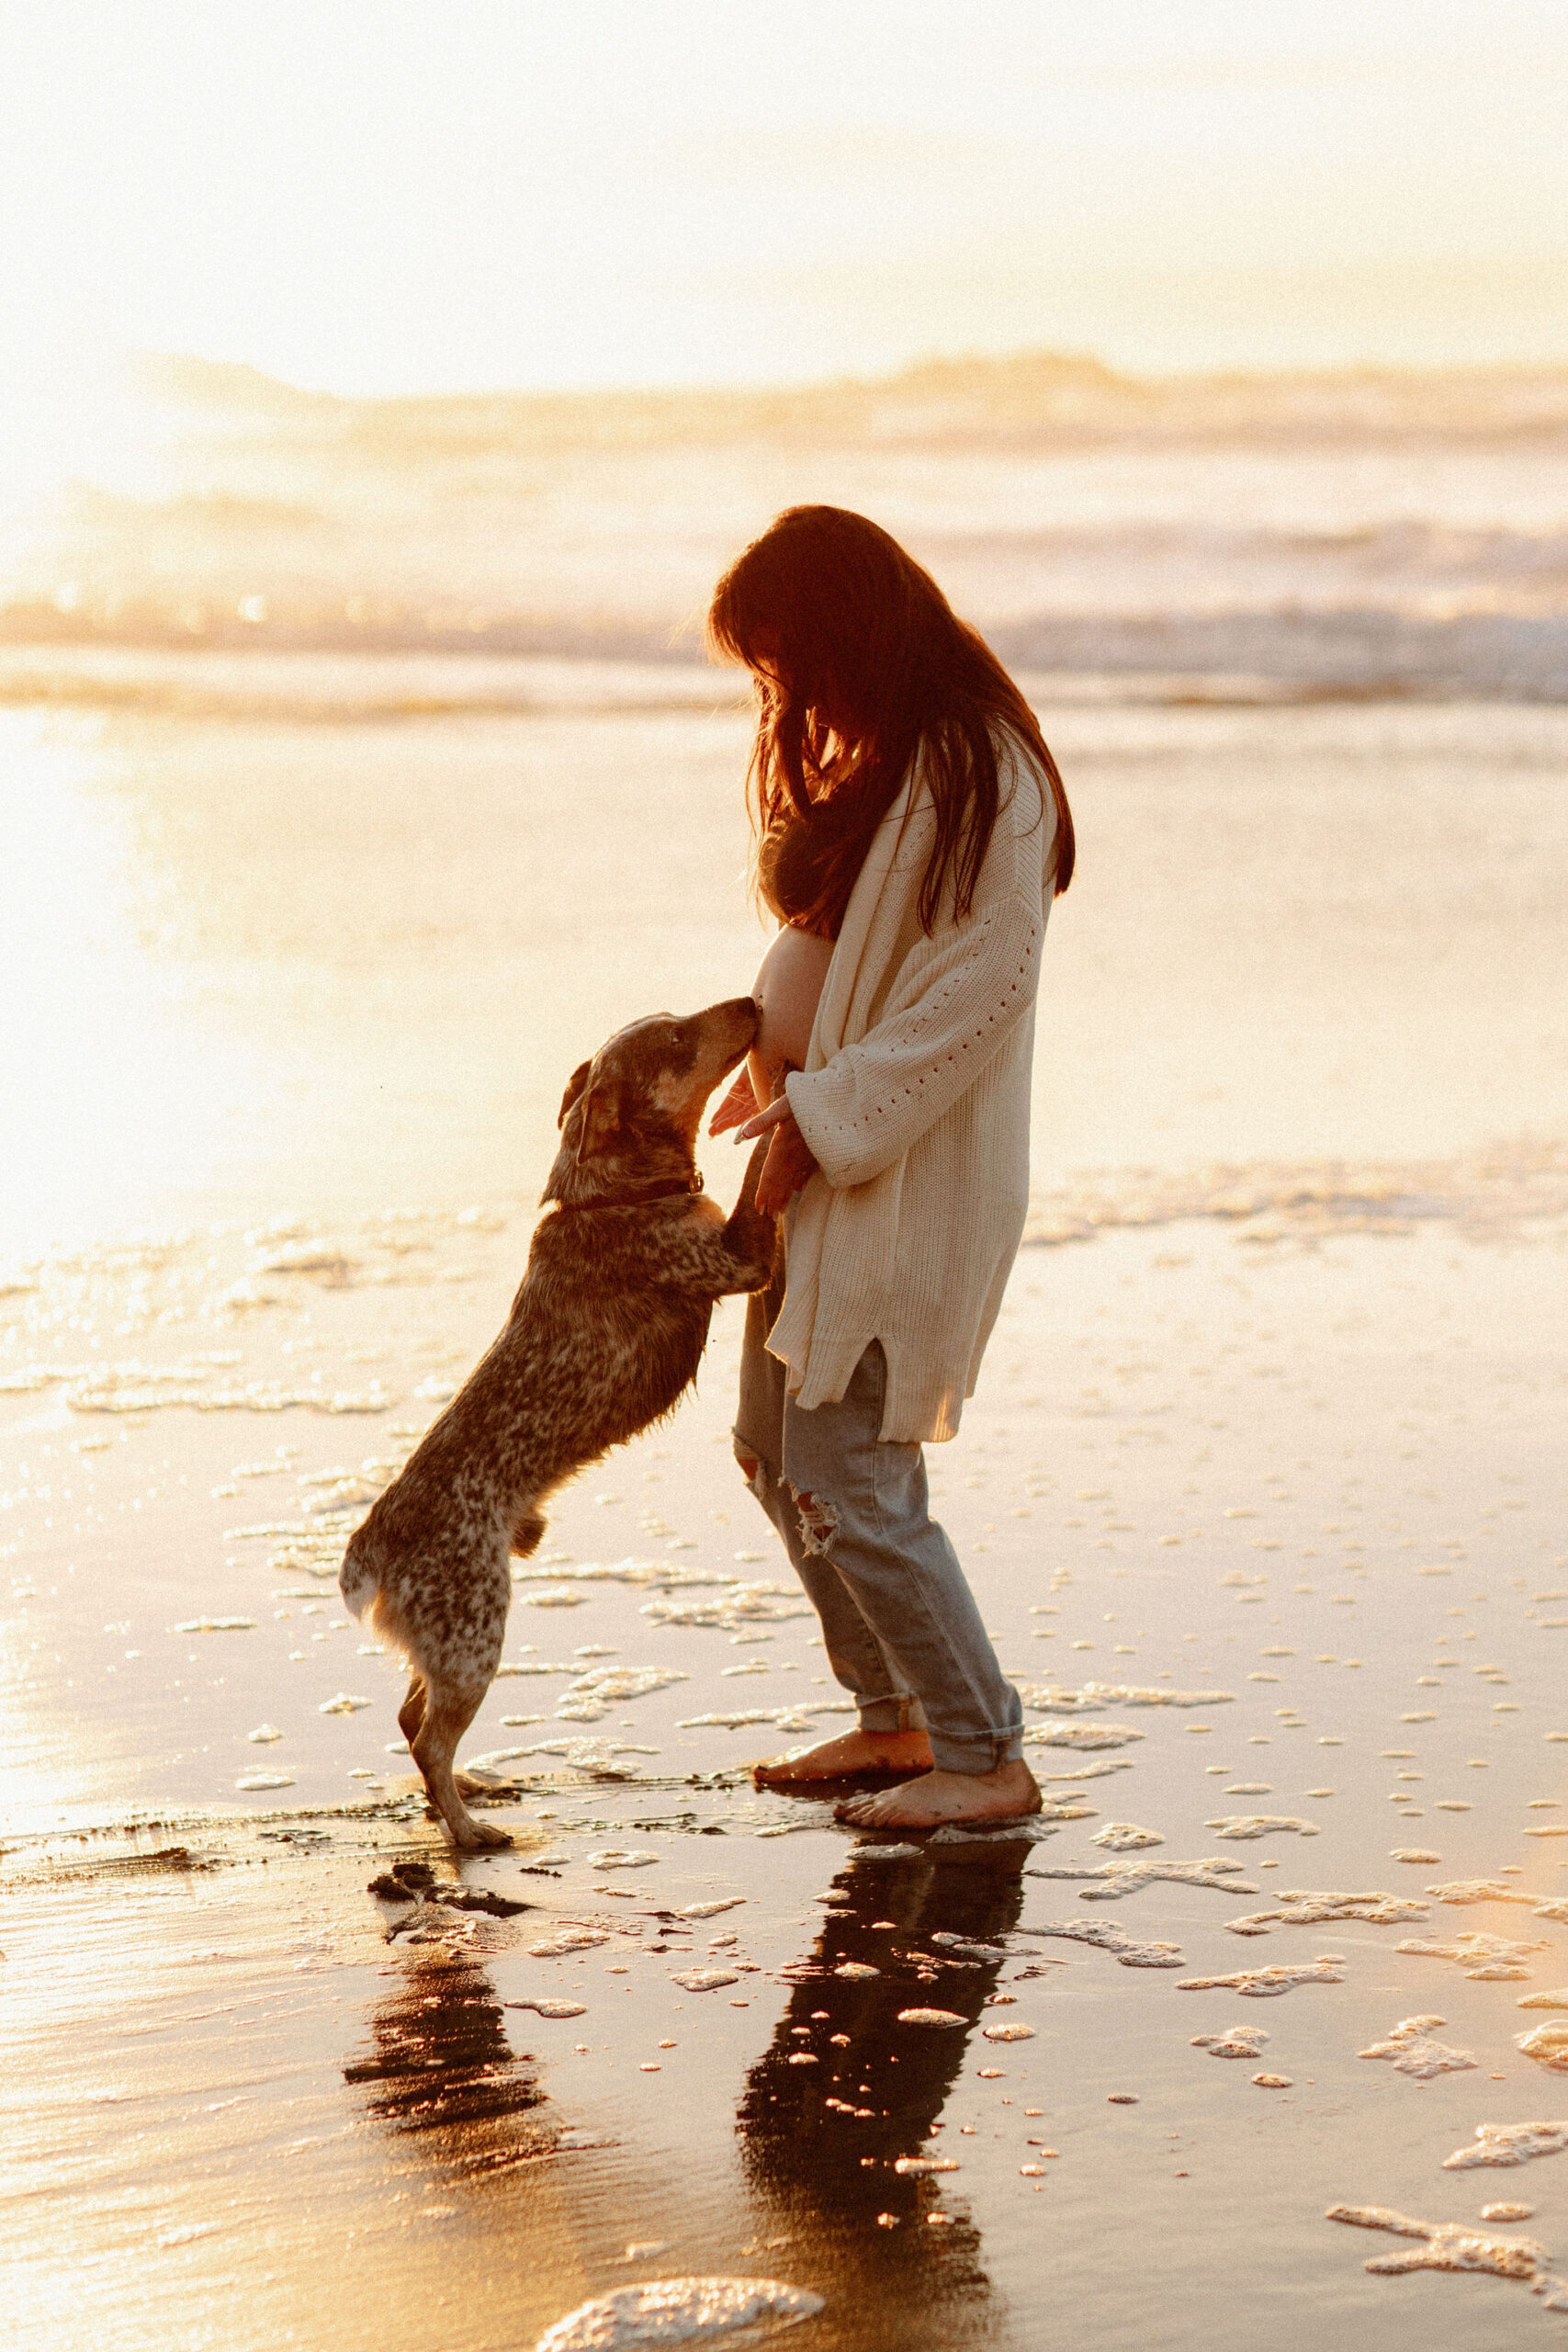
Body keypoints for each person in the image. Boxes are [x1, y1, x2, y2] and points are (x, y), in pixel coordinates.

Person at [705, 504, 1075, 1829]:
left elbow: (981, 990)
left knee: (852, 1474)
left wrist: (827, 1114)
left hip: (892, 1171)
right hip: (810, 1153)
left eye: (785, 657)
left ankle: (987, 1755)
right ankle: (894, 1715)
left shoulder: (987, 774)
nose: (782, 691)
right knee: (770, 1446)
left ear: (847, 625)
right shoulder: (896, 761)